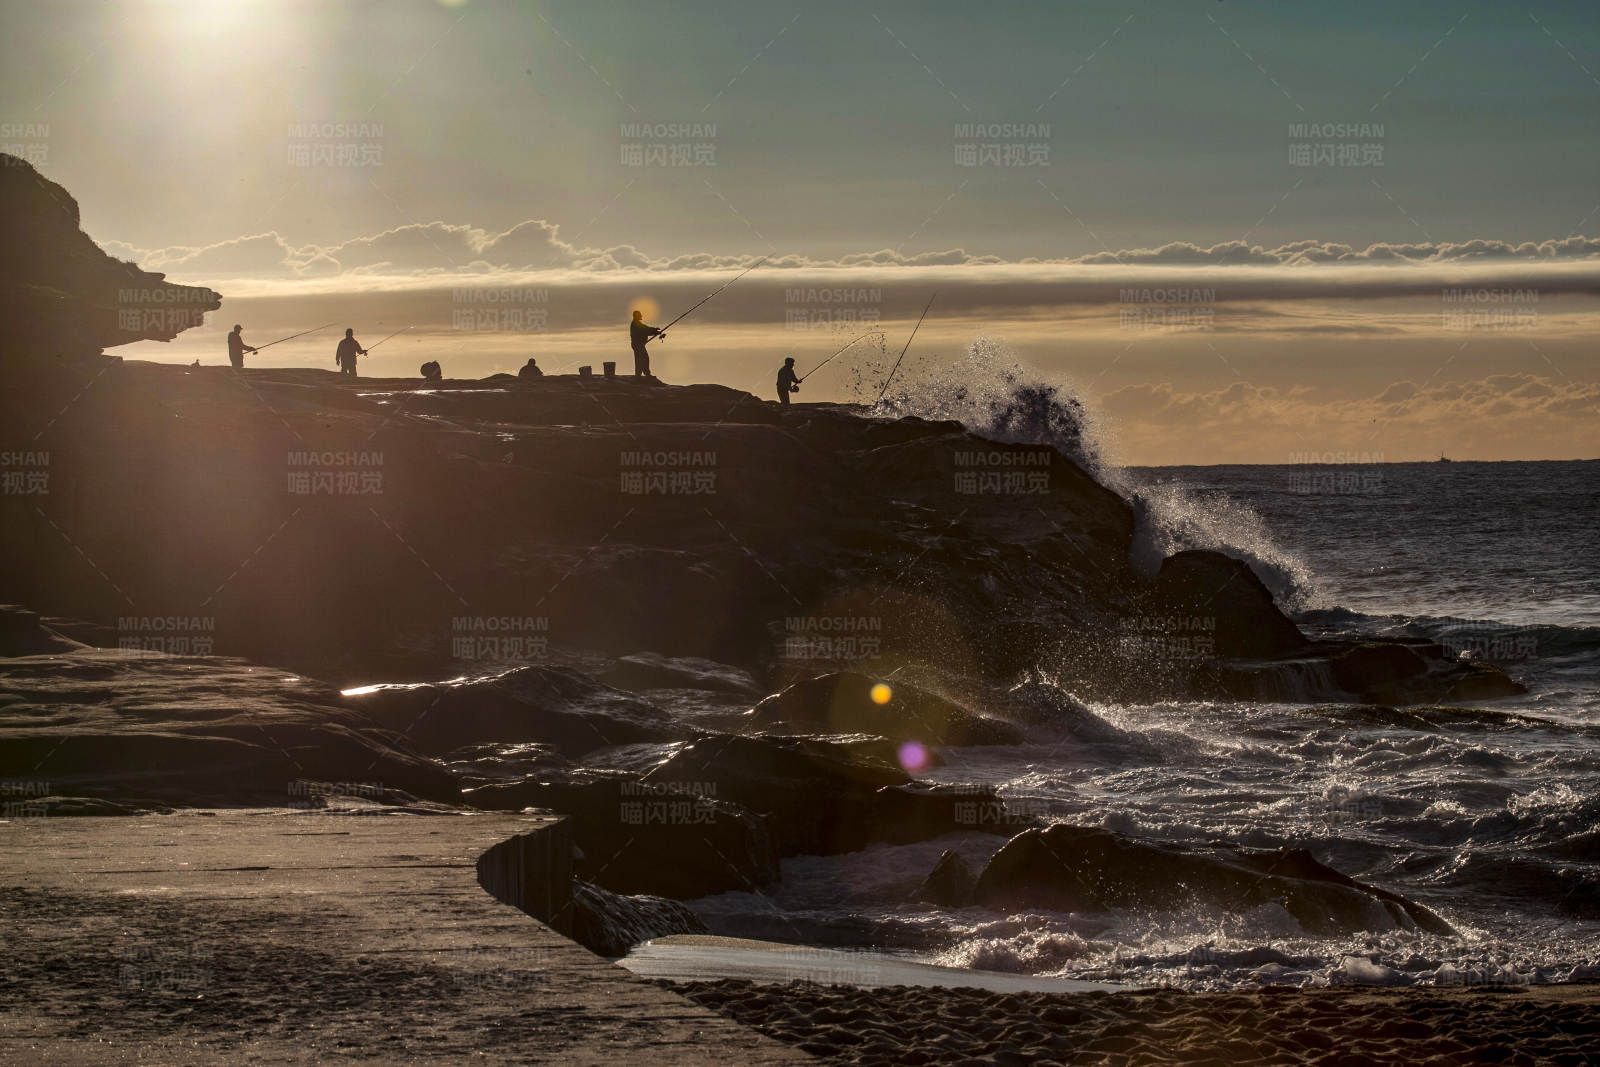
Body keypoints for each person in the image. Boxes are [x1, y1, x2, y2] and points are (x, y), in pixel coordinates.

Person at [629, 310, 664, 377]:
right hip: (638, 345)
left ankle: (640, 374)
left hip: (638, 345)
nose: (641, 316)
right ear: (636, 316)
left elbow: (645, 328)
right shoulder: (635, 324)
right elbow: (644, 330)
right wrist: (655, 331)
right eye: (639, 314)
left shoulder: (636, 323)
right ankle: (644, 374)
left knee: (641, 359)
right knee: (643, 358)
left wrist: (654, 330)